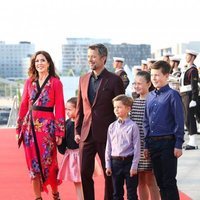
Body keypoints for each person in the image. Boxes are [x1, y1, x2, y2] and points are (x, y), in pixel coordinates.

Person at [75, 43, 125, 200]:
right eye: (88, 56)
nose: (90, 60)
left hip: (108, 135)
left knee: (108, 173)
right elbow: (80, 108)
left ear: (103, 58)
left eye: (93, 57)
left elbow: (121, 108)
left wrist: (120, 133)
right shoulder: (83, 79)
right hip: (86, 135)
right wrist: (77, 130)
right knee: (84, 172)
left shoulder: (115, 80)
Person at [16, 51, 65, 200]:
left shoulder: (56, 82)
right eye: (37, 61)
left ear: (49, 63)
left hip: (47, 129)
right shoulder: (29, 82)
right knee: (33, 165)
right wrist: (19, 128)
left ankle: (56, 194)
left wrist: (59, 132)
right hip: (30, 129)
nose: (39, 63)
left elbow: (60, 108)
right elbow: (24, 105)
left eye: (43, 60)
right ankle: (38, 197)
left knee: (49, 163)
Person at [144, 60, 185, 200]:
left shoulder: (173, 95)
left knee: (169, 182)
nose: (154, 78)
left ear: (167, 76)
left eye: (157, 75)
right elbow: (146, 122)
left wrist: (178, 144)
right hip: (153, 144)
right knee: (160, 182)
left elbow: (179, 121)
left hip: (168, 144)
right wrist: (146, 145)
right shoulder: (149, 97)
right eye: (152, 75)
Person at [130, 71, 160, 200]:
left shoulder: (154, 101)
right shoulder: (133, 103)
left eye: (139, 83)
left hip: (149, 146)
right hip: (136, 147)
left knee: (150, 179)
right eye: (134, 83)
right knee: (140, 180)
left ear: (148, 83)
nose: (136, 86)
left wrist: (150, 146)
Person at [105, 94, 140, 200]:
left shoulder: (133, 126)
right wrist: (108, 165)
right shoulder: (111, 126)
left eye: (119, 107)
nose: (116, 110)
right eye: (115, 107)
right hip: (115, 163)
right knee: (117, 193)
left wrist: (134, 166)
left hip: (129, 162)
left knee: (132, 193)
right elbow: (108, 147)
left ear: (128, 108)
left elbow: (137, 147)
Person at [57, 97, 84, 200]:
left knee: (84, 179)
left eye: (69, 109)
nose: (67, 112)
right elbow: (63, 144)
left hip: (81, 155)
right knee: (76, 181)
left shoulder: (83, 123)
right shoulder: (66, 123)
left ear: (78, 109)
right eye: (66, 109)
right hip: (71, 155)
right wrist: (59, 142)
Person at [180, 49, 199, 150]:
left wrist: (194, 99)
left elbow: (194, 86)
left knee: (190, 118)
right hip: (184, 94)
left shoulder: (193, 70)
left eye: (188, 55)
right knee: (186, 118)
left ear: (192, 57)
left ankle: (193, 142)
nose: (186, 57)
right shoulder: (186, 69)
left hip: (189, 95)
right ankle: (191, 141)